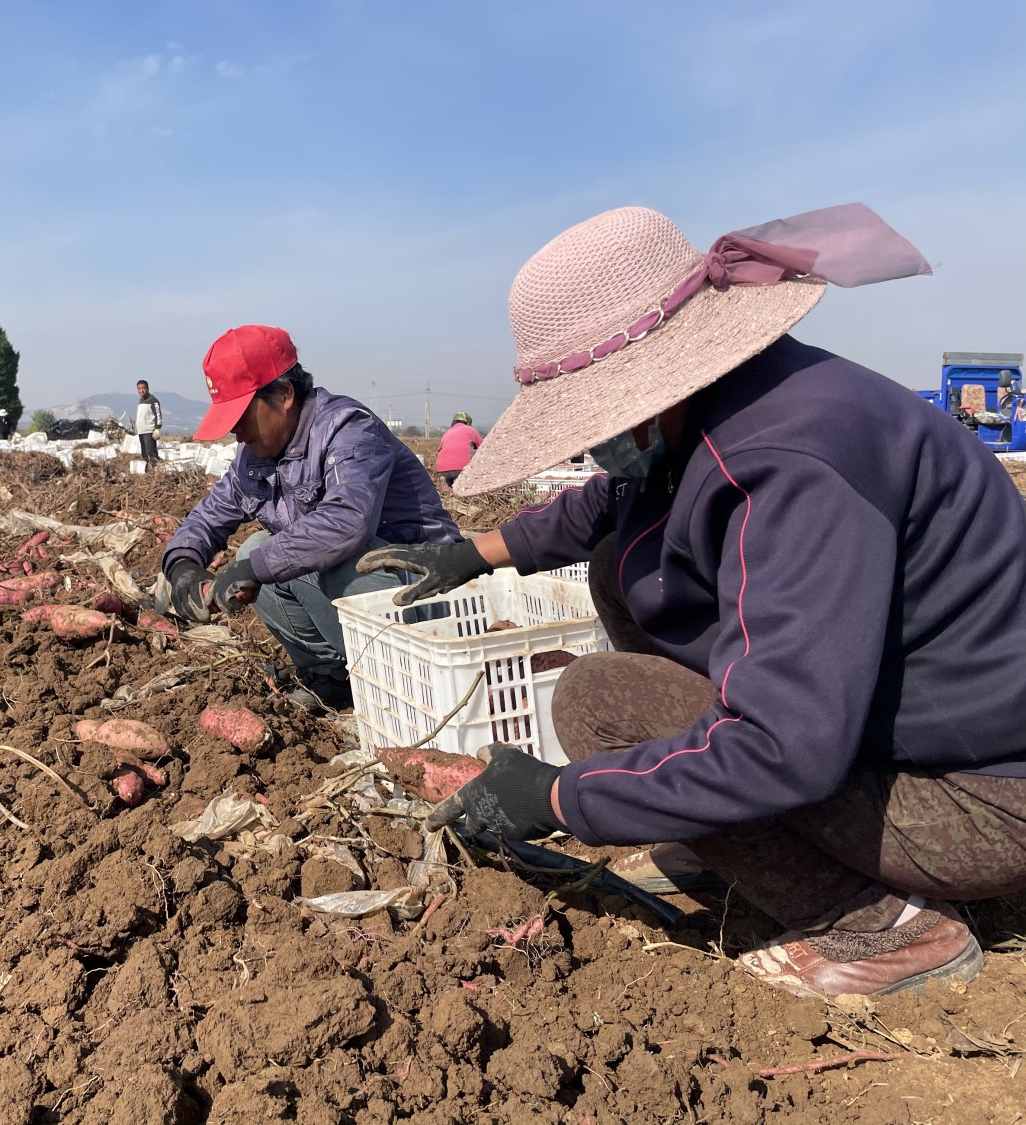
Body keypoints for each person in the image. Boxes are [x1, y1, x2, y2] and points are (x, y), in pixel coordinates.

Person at [361, 203, 1026, 999]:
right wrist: (472, 553)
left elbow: (782, 744)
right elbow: (605, 506)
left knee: (600, 706)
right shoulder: (732, 403)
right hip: (893, 740)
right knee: (621, 563)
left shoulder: (790, 463)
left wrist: (558, 796)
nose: (592, 445)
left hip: (981, 801)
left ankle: (882, 927)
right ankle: (722, 823)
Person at [162, 325, 461, 711]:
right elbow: (207, 516)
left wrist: (256, 568)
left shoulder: (347, 430)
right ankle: (331, 674)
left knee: (272, 556)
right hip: (371, 598)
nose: (235, 430)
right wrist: (183, 565)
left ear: (285, 394)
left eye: (241, 414)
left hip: (429, 593)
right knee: (258, 552)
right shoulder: (254, 458)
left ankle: (409, 679)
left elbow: (346, 522)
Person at [435, 411, 484, 487]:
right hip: (463, 469)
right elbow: (483, 446)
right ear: (467, 422)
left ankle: (448, 483)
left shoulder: (447, 433)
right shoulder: (471, 430)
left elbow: (439, 450)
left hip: (443, 470)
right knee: (480, 453)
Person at [134, 380, 163, 466]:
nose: (141, 391)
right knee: (145, 454)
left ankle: (155, 470)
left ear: (148, 388)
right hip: (141, 431)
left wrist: (157, 428)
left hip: (149, 431)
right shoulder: (141, 401)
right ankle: (147, 471)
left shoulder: (153, 400)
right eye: (139, 389)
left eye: (144, 388)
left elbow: (158, 415)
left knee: (151, 454)